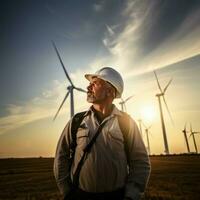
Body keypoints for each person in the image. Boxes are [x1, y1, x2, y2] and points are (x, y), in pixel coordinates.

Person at [54, 67, 151, 200]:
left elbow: (140, 162)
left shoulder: (126, 123)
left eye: (94, 83)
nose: (88, 88)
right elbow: (61, 156)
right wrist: (67, 192)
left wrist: (131, 196)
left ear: (109, 91)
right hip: (80, 196)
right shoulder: (77, 121)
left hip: (116, 196)